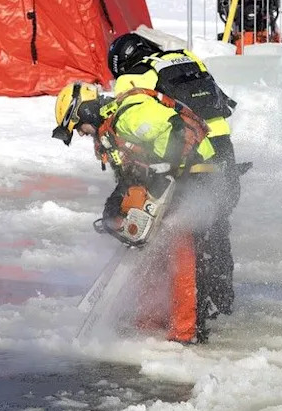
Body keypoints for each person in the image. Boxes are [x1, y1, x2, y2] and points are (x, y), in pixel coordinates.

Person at [53, 80, 239, 344]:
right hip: (171, 179)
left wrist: (164, 175)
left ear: (83, 111)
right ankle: (150, 319)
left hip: (195, 175)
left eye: (77, 127)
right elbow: (130, 172)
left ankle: (185, 331)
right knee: (147, 249)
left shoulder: (130, 114)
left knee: (179, 248)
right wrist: (117, 204)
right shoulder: (108, 133)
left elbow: (181, 133)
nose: (81, 133)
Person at [106, 31, 239, 318]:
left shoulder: (135, 76)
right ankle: (222, 299)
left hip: (191, 152)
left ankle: (194, 308)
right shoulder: (186, 58)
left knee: (187, 233)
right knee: (217, 223)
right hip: (223, 146)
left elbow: (136, 118)